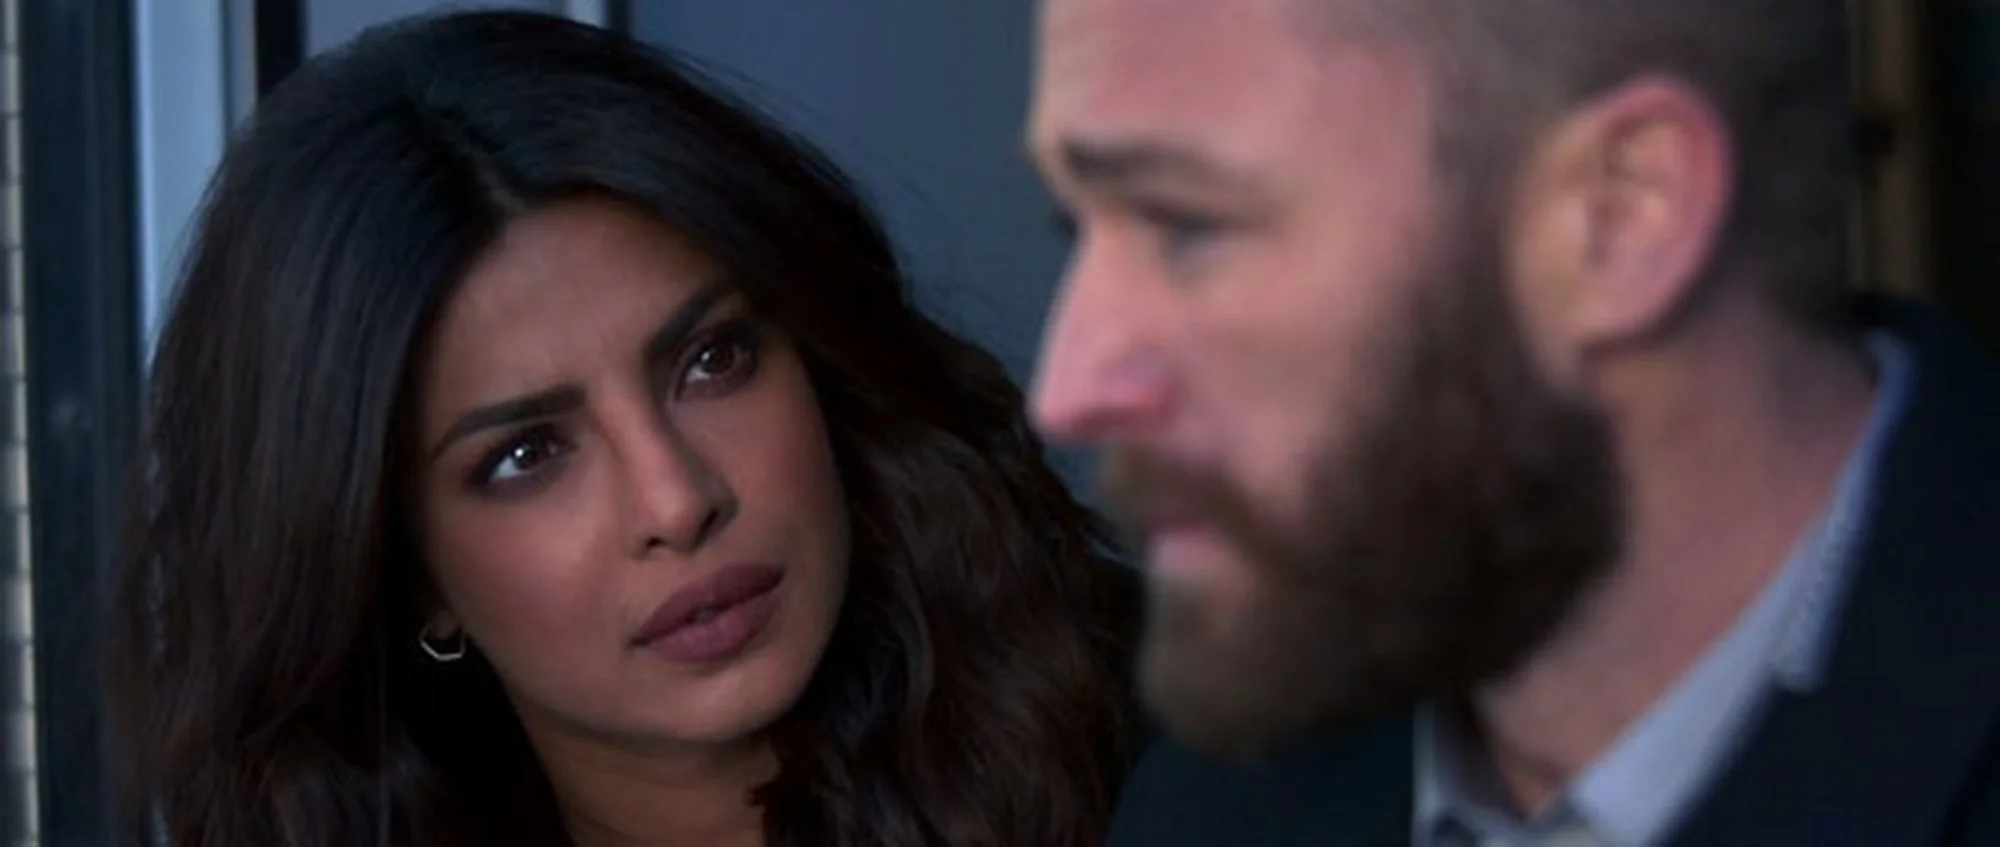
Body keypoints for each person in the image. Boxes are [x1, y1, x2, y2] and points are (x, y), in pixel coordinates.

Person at [107, 10, 1139, 847]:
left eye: (713, 360)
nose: (677, 500)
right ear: (405, 566)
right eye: (525, 455)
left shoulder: (1181, 778)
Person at [1026, 0, 2000, 844]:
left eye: (1187, 225)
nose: (1068, 389)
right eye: (1077, 229)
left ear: (1621, 217)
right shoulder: (1221, 797)